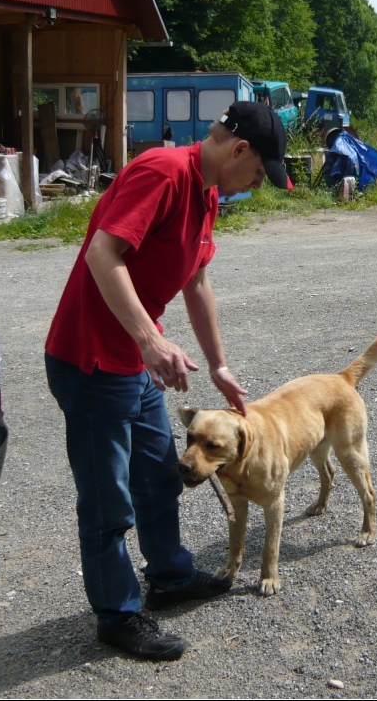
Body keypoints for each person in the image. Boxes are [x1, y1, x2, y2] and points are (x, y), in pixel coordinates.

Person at [44, 102, 287, 661]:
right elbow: (103, 253)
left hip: (135, 362)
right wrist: (150, 340)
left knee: (160, 476)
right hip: (91, 361)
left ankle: (171, 577)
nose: (257, 184)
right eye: (257, 172)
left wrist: (219, 365)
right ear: (239, 150)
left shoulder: (206, 193)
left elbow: (196, 280)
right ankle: (118, 615)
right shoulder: (162, 172)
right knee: (108, 501)